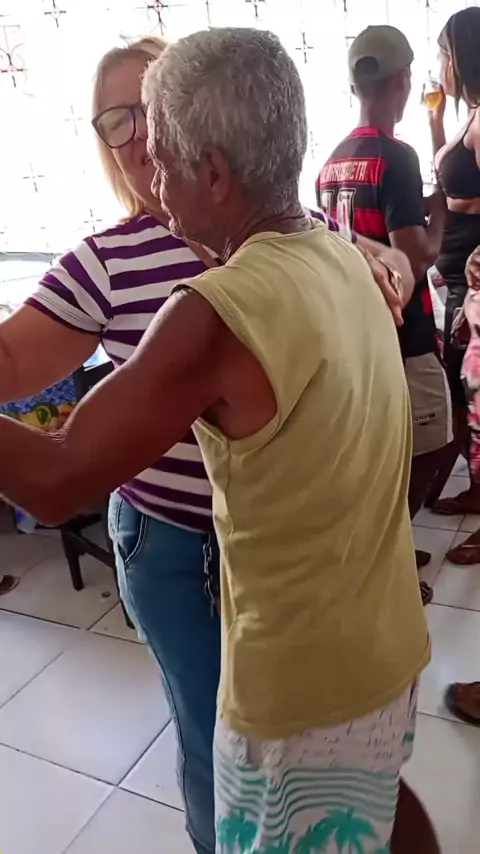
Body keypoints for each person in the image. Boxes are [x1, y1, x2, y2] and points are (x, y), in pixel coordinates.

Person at [0, 27, 438, 853]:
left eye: (163, 157)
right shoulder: (342, 258)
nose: (154, 180)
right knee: (377, 800)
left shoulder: (215, 312)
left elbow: (57, 480)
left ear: (213, 172)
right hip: (381, 642)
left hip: (299, 683)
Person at [317, 25, 450, 600]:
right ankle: (388, 554)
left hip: (361, 332)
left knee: (383, 450)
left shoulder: (331, 163)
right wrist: (439, 215)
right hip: (407, 331)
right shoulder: (397, 156)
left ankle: (384, 542)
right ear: (402, 80)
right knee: (435, 443)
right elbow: (413, 257)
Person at [426, 6, 480, 516]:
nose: (440, 64)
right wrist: (436, 123)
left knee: (473, 391)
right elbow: (452, 182)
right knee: (459, 388)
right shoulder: (471, 116)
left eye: (444, 54)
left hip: (472, 277)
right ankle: (475, 485)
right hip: (454, 275)